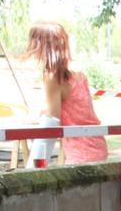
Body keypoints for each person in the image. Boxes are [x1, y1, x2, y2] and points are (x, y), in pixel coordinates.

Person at [22, 22, 108, 164]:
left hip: (80, 153)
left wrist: (35, 167)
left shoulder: (54, 76)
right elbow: (73, 110)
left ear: (40, 46)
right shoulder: (77, 72)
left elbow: (51, 123)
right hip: (97, 146)